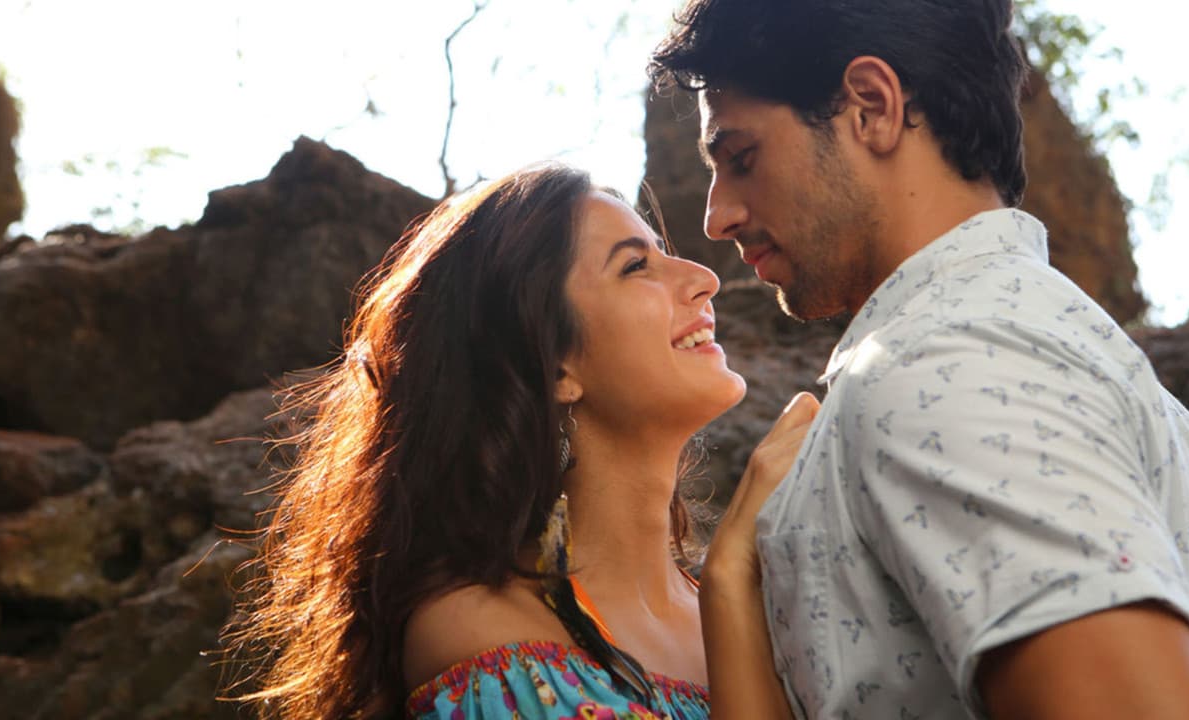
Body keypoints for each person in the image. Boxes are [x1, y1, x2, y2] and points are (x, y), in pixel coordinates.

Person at [649, 0, 1189, 718]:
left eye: (741, 158)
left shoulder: (939, 363)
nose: (716, 216)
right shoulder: (1081, 359)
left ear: (871, 107)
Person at [221, 162, 818, 719]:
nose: (704, 278)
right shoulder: (486, 643)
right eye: (635, 266)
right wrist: (730, 580)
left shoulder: (767, 607)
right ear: (553, 366)